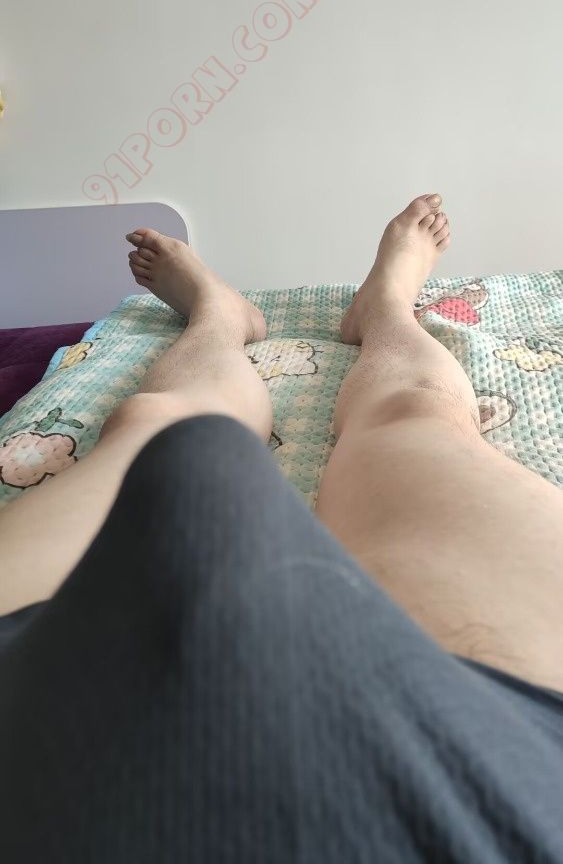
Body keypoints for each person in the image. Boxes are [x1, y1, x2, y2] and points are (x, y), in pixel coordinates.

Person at [0, 194, 562, 862]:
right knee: (416, 413)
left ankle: (220, 317)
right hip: (526, 751)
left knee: (156, 420)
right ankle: (382, 307)